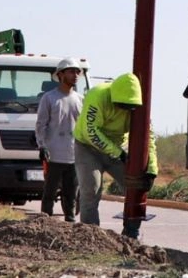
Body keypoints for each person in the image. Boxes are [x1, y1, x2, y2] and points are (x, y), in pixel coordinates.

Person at [72, 71, 158, 226]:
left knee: (135, 186)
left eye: (128, 107)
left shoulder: (140, 106)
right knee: (92, 190)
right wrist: (119, 154)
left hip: (117, 148)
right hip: (88, 148)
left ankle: (131, 232)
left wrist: (151, 169)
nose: (123, 110)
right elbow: (91, 132)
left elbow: (148, 138)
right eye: (121, 105)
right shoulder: (97, 95)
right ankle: (91, 235)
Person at [35, 58, 84, 222]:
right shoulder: (49, 98)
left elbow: (84, 128)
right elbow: (41, 124)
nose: (75, 75)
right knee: (49, 193)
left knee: (71, 194)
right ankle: (44, 223)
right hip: (54, 155)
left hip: (74, 156)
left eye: (77, 72)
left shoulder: (80, 100)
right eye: (71, 71)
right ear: (60, 74)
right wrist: (42, 146)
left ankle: (69, 224)